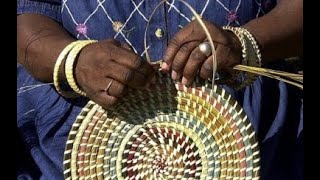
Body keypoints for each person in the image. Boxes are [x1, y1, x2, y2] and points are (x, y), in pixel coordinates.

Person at [17, 0, 303, 179]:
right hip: (76, 152)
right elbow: (26, 13)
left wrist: (244, 44)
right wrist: (74, 59)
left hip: (260, 145)